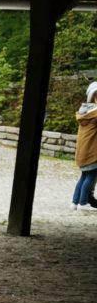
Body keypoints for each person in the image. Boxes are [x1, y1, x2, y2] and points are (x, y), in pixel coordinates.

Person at [71, 81, 97, 211]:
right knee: (91, 176)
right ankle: (83, 203)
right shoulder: (95, 114)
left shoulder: (85, 111)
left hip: (82, 151)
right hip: (92, 151)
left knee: (84, 176)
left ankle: (75, 202)